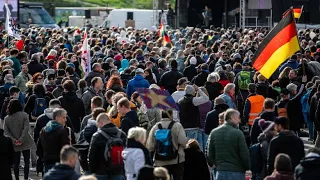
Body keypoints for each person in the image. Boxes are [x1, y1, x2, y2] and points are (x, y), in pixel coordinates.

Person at [206, 109, 250, 180]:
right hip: (237, 171)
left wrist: (212, 164)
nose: (240, 120)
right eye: (238, 117)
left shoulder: (214, 132)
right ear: (232, 117)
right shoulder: (238, 133)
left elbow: (209, 152)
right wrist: (247, 167)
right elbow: (244, 154)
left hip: (220, 171)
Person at [147, 109, 187, 180]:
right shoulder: (177, 126)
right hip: (176, 160)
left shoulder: (155, 127)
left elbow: (150, 146)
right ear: (171, 115)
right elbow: (183, 142)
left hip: (160, 162)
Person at [88, 113, 127, 180]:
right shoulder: (122, 134)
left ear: (100, 123)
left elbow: (92, 156)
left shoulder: (97, 136)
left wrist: (92, 171)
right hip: (117, 171)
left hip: (100, 172)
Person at [4, 99, 35, 180]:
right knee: (27, 161)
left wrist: (14, 140)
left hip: (14, 143)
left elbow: (6, 132)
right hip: (25, 140)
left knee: (16, 163)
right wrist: (21, 139)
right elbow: (26, 128)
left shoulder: (7, 118)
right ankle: (26, 178)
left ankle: (17, 178)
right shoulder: (25, 115)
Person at [37, 108, 75, 173]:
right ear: (57, 118)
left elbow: (39, 148)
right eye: (63, 117)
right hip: (59, 163)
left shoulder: (43, 130)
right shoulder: (62, 131)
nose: (65, 120)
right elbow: (66, 149)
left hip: (46, 163)